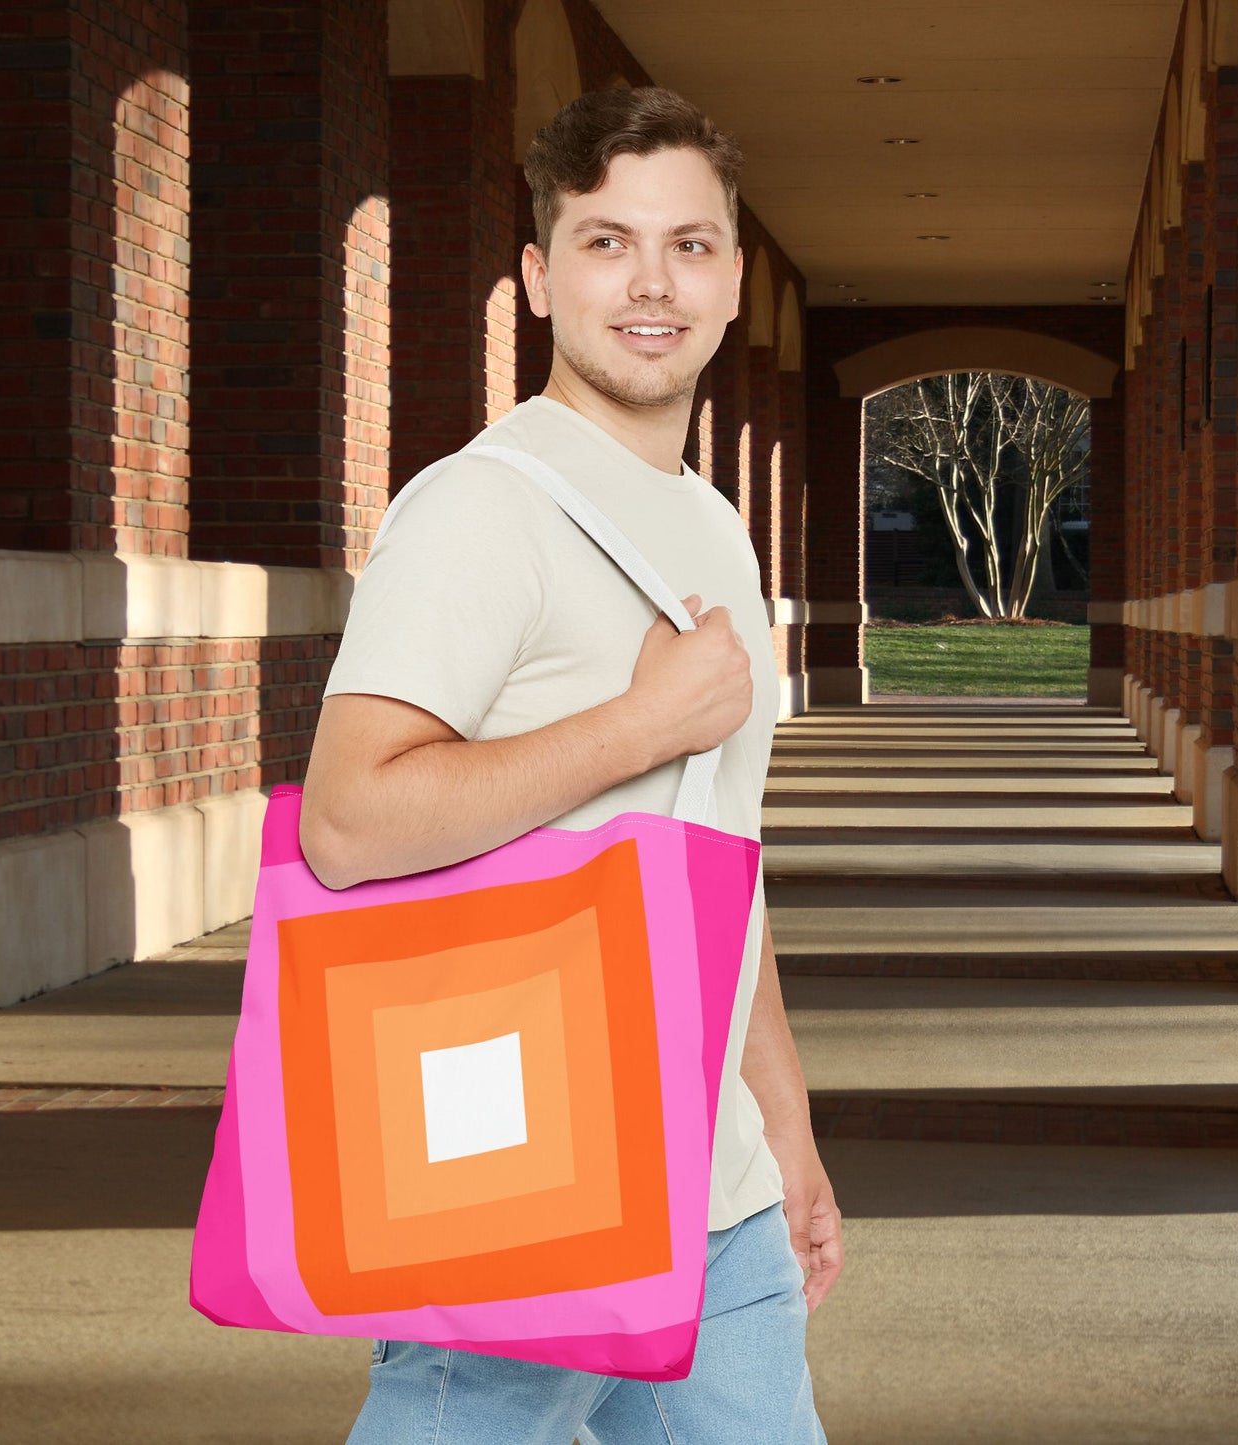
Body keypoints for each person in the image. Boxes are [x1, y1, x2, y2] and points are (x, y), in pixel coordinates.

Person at [300, 83, 842, 1445]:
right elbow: (348, 822)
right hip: (525, 1179)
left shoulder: (710, 525)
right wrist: (636, 726)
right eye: (608, 243)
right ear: (542, 280)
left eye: (688, 245)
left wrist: (783, 1130)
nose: (652, 283)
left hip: (715, 1200)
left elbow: (725, 857)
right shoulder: (478, 508)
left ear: (728, 281)